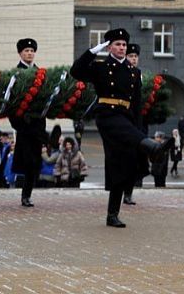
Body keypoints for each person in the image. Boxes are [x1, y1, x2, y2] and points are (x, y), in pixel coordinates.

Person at [70, 28, 168, 228]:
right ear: (110, 47)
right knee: (125, 142)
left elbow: (137, 104)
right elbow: (76, 71)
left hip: (126, 118)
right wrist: (93, 50)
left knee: (120, 164)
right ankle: (152, 148)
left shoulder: (134, 72)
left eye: (124, 45)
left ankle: (112, 215)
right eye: (117, 44)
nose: (122, 48)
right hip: (107, 115)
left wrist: (139, 129)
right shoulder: (100, 66)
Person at [9, 38, 48, 207]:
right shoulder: (15, 74)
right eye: (26, 51)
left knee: (34, 163)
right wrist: (17, 123)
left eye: (32, 51)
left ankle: (28, 194)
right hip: (23, 125)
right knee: (27, 161)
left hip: (38, 125)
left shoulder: (41, 73)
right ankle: (25, 194)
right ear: (20, 53)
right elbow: (10, 101)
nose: (29, 53)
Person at [122, 43, 150, 205]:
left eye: (135, 56)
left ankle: (129, 192)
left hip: (138, 123)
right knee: (125, 159)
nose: (133, 59)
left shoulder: (139, 74)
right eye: (130, 56)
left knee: (137, 159)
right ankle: (123, 192)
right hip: (125, 120)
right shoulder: (122, 73)